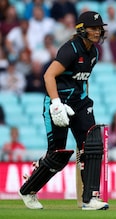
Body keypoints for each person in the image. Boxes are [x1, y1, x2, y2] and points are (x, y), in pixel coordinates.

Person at [18, 11, 109, 210]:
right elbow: (49, 76)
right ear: (82, 29)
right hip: (58, 102)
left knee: (92, 144)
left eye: (99, 28)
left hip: (80, 102)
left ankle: (90, 198)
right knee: (57, 155)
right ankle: (28, 190)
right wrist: (56, 104)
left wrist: (84, 102)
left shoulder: (94, 53)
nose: (97, 31)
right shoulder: (71, 49)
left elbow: (83, 80)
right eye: (93, 28)